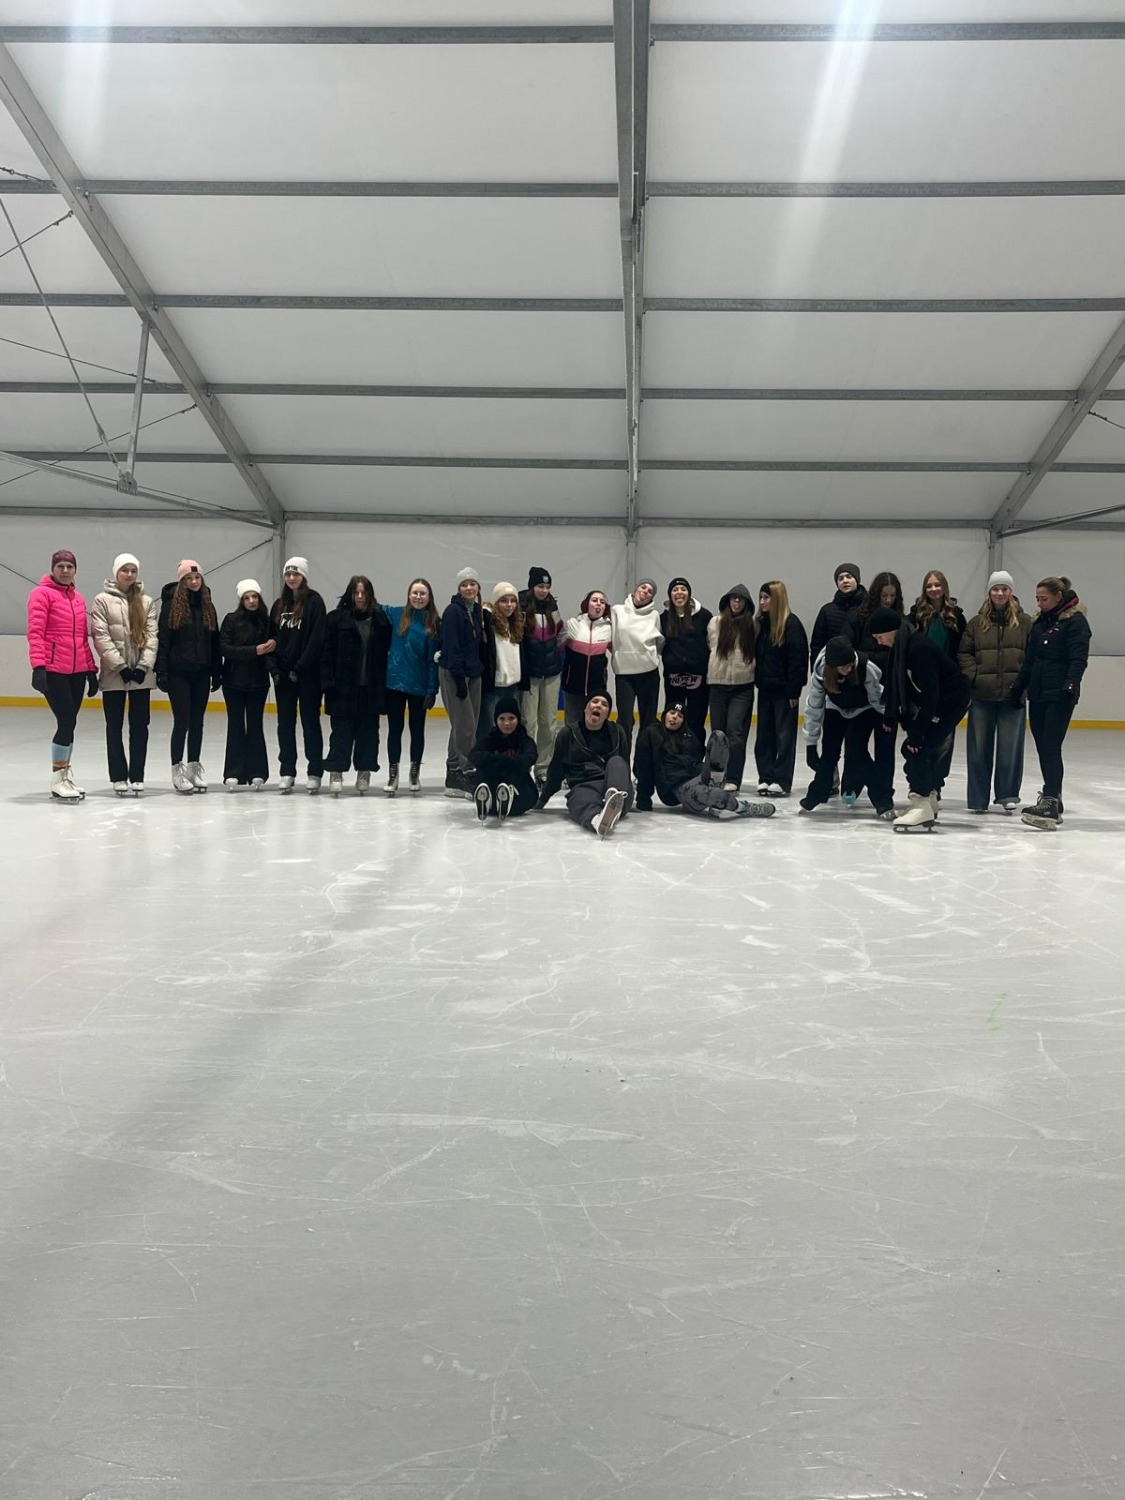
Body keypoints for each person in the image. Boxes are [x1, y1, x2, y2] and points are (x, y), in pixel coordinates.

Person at [869, 606, 971, 830]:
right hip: (942, 700)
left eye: (879, 636)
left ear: (891, 630)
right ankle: (928, 801)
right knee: (915, 748)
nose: (879, 642)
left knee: (917, 748)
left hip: (951, 701)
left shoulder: (918, 649)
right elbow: (897, 686)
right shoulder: (902, 647)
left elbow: (931, 694)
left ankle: (922, 803)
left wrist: (917, 733)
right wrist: (890, 716)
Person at [1011, 575, 1092, 831]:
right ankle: (1053, 797)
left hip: (1059, 694)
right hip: (1038, 692)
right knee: (1043, 747)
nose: (1039, 603)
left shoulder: (1075, 622)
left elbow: (1078, 658)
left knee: (1050, 747)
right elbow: (1031, 660)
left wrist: (1071, 683)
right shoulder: (1040, 622)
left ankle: (1050, 800)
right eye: (1037, 599)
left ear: (1058, 597)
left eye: (1043, 599)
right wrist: (1019, 686)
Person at [26, 547, 98, 801]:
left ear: (75, 570)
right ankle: (57, 779)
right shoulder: (41, 594)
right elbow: (36, 633)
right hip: (54, 669)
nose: (65, 571)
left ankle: (64, 775)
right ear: (53, 569)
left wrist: (91, 669)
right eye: (61, 566)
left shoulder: (77, 598)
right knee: (66, 721)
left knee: (71, 723)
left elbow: (81, 638)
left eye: (70, 567)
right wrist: (38, 667)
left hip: (76, 671)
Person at [957, 569, 1032, 814]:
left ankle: (1007, 794)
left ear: (1011, 592)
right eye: (996, 589)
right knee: (979, 749)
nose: (1000, 593)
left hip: (1013, 696)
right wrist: (974, 677)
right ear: (989, 592)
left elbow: (1033, 655)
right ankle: (978, 799)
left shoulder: (1025, 622)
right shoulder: (976, 623)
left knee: (1010, 749)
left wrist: (1023, 683)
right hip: (982, 696)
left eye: (1004, 589)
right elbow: (964, 653)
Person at [799, 637, 892, 818]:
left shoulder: (866, 668)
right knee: (829, 753)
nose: (848, 670)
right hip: (835, 707)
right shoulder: (821, 671)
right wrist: (810, 744)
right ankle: (816, 794)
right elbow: (814, 707)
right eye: (843, 667)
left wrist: (889, 717)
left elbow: (877, 697)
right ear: (832, 667)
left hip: (864, 709)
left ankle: (882, 800)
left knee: (858, 752)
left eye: (850, 665)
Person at [635, 702, 775, 819]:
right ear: (665, 714)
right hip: (679, 787)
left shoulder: (687, 735)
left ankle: (715, 787)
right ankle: (744, 808)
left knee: (719, 736)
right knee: (716, 795)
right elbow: (644, 767)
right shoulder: (651, 733)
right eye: (672, 713)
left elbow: (700, 758)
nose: (675, 717)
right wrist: (643, 799)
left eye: (680, 716)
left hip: (698, 776)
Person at [91, 552, 157, 796]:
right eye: (124, 570)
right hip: (113, 675)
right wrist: (120, 666)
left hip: (141, 675)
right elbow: (100, 636)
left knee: (140, 726)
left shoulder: (146, 601)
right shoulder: (102, 600)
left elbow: (152, 636)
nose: (129, 575)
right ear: (116, 573)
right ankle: (118, 776)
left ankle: (137, 776)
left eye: (133, 571)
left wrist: (142, 666)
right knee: (114, 726)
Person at [321, 574, 392, 795]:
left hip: (371, 688)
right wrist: (328, 683)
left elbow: (386, 655)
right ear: (350, 594)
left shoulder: (380, 621)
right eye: (356, 592)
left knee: (368, 733)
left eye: (364, 593)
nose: (360, 597)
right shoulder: (335, 620)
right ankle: (336, 771)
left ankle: (364, 771)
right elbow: (326, 653)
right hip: (342, 688)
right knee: (341, 733)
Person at [156, 560, 221, 794]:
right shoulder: (171, 606)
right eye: (188, 578)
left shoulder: (208, 606)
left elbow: (214, 641)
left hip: (201, 672)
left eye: (197, 577)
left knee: (197, 722)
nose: (194, 581)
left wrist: (217, 671)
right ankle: (177, 770)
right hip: (178, 673)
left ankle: (194, 767)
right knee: (182, 721)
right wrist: (162, 671)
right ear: (182, 581)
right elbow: (164, 640)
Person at [843, 570, 905, 807]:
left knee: (885, 747)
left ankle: (884, 793)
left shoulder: (901, 621)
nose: (888, 600)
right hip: (859, 692)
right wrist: (872, 659)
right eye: (884, 595)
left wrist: (868, 658)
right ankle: (851, 784)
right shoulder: (857, 617)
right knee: (855, 743)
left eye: (892, 596)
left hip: (888, 695)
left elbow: (900, 659)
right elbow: (847, 651)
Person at [537, 688, 632, 837]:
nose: (599, 705)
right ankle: (597, 821)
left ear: (607, 713)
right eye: (594, 701)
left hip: (614, 783)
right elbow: (556, 770)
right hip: (585, 785)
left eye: (604, 704)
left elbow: (625, 767)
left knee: (617, 762)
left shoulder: (617, 732)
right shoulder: (568, 734)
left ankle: (614, 799)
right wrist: (543, 799)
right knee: (578, 798)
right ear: (585, 707)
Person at [270, 556, 327, 793]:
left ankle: (314, 771)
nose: (292, 578)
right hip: (284, 677)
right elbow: (271, 639)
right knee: (285, 724)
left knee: (310, 723)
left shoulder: (314, 602)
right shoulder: (279, 605)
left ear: (303, 576)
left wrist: (300, 667)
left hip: (308, 675)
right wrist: (275, 669)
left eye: (296, 574)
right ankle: (287, 771)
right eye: (288, 574)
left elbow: (317, 638)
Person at [384, 578, 440, 796]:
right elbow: (373, 605)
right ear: (408, 595)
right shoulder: (397, 614)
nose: (418, 597)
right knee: (394, 729)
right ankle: (393, 772)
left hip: (419, 685)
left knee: (417, 730)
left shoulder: (433, 623)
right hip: (395, 683)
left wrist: (432, 689)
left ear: (429, 597)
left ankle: (415, 771)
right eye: (415, 593)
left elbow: (433, 661)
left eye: (422, 593)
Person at [753, 580, 808, 796]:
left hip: (785, 692)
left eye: (766, 597)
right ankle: (765, 776)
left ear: (777, 599)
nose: (762, 602)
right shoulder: (762, 624)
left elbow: (798, 660)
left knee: (784, 737)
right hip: (765, 689)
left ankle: (782, 779)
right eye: (761, 597)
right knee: (764, 736)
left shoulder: (791, 624)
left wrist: (794, 690)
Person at [219, 579, 275, 789]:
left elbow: (274, 643)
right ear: (241, 600)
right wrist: (255, 650)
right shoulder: (231, 620)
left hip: (258, 683)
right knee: (235, 725)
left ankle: (257, 771)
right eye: (247, 597)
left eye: (254, 597)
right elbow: (225, 648)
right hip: (233, 682)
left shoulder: (266, 621)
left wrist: (274, 643)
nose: (251, 601)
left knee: (255, 725)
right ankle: (233, 772)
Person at [439, 566, 485, 797]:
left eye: (472, 584)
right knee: (465, 726)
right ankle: (468, 773)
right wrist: (458, 679)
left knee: (465, 725)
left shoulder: (476, 611)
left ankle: (453, 773)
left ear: (478, 587)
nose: (469, 588)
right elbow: (452, 647)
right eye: (464, 584)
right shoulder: (453, 612)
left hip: (473, 673)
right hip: (455, 674)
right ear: (459, 588)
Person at [706, 584, 757, 792]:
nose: (736, 602)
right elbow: (709, 647)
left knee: (735, 733)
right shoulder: (715, 622)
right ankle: (716, 775)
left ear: (746, 603)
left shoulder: (753, 625)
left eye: (740, 599)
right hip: (717, 684)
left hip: (743, 686)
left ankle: (734, 778)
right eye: (733, 598)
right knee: (718, 733)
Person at [519, 566, 565, 781]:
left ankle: (543, 767)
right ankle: (525, 765)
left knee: (548, 722)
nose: (544, 590)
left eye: (547, 587)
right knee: (528, 722)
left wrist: (555, 654)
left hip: (551, 673)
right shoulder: (521, 606)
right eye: (540, 586)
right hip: (530, 674)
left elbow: (561, 634)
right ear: (532, 586)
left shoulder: (552, 606)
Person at [610, 579, 663, 751]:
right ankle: (622, 762)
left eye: (650, 591)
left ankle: (643, 764)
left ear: (652, 598)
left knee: (648, 721)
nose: (645, 591)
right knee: (624, 720)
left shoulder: (654, 615)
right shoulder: (617, 611)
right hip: (624, 674)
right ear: (635, 589)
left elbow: (659, 643)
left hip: (649, 672)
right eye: (643, 587)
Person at [659, 577, 712, 745]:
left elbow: (710, 644)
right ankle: (672, 751)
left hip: (699, 679)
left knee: (696, 719)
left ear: (689, 593)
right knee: (673, 718)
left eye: (683, 589)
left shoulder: (704, 616)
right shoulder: (664, 618)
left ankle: (695, 754)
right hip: (673, 678)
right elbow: (660, 644)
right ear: (670, 595)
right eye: (675, 590)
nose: (679, 593)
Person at [469, 695, 538, 823]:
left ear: (518, 719)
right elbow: (473, 756)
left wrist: (504, 761)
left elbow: (531, 757)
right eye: (502, 719)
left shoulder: (524, 740)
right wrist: (498, 759)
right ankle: (486, 799)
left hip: (519, 794)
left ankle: (507, 797)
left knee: (515, 770)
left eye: (511, 718)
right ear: (496, 720)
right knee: (484, 766)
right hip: (492, 787)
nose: (507, 723)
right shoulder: (490, 739)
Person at [481, 583, 526, 741]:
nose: (509, 605)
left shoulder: (516, 623)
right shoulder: (489, 621)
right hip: (495, 686)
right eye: (504, 601)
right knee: (489, 726)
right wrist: (486, 609)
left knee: (511, 728)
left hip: (513, 685)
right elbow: (484, 612)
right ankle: (487, 755)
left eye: (512, 601)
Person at [560, 589, 612, 727]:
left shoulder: (609, 628)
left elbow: (617, 650)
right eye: (594, 600)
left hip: (596, 685)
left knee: (593, 723)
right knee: (572, 723)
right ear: (586, 604)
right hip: (572, 683)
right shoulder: (573, 624)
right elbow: (558, 647)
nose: (598, 604)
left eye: (602, 602)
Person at [809, 563, 866, 668]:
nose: (845, 581)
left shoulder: (868, 609)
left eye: (849, 576)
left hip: (861, 665)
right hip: (833, 668)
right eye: (840, 578)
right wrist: (816, 670)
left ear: (857, 580)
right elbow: (817, 645)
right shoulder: (827, 611)